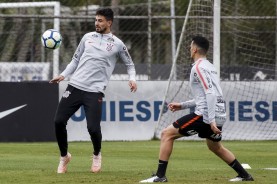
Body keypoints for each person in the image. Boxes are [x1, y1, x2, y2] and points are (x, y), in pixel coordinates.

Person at [140, 36, 253, 183]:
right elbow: (207, 96)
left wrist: (210, 120)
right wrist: (182, 105)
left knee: (167, 134)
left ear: (194, 49)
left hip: (206, 116)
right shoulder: (210, 67)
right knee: (215, 147)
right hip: (219, 113)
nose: (189, 49)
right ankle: (245, 175)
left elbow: (210, 94)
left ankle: (160, 176)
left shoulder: (198, 67)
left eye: (190, 47)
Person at [50, 8, 137, 174]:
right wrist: (63, 75)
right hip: (74, 86)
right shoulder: (87, 37)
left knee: (93, 129)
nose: (97, 23)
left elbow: (130, 64)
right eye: (96, 20)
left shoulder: (117, 44)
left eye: (100, 20)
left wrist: (132, 78)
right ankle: (64, 157)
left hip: (94, 91)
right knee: (58, 121)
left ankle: (97, 154)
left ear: (109, 22)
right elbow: (75, 60)